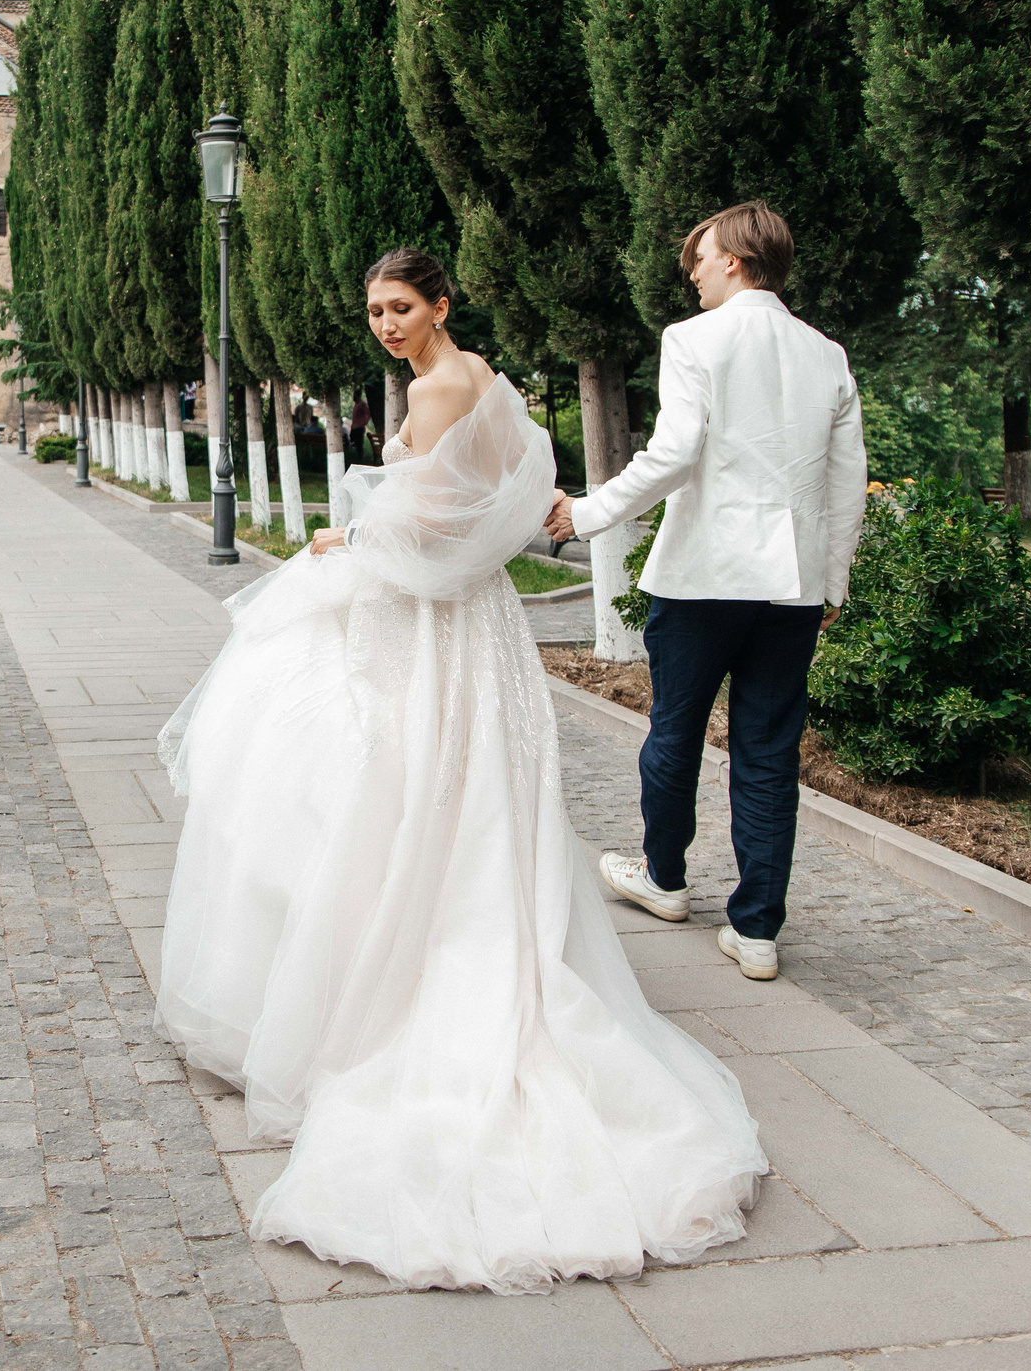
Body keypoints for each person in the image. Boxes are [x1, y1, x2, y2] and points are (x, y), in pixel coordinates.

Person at [156, 247, 766, 1294]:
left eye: (401, 306)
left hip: (436, 623)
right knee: (456, 791)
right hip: (479, 626)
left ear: (441, 304)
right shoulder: (482, 375)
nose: (385, 324)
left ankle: (387, 969)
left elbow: (434, 527)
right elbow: (514, 490)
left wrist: (347, 542)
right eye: (373, 310)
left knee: (386, 775)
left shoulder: (440, 390)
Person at [543, 200, 866, 984]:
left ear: (736, 259)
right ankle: (757, 930)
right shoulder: (826, 354)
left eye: (700, 256)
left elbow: (674, 453)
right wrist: (832, 580)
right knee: (769, 752)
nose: (691, 271)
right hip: (791, 588)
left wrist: (585, 513)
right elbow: (845, 480)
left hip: (703, 579)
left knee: (675, 730)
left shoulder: (692, 339)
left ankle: (665, 877)